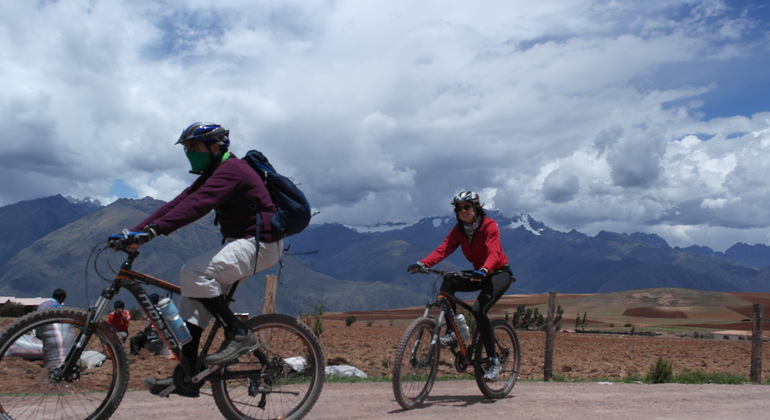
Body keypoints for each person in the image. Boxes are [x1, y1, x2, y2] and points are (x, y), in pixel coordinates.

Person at [126, 122, 283, 397]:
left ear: (215, 147)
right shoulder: (215, 170)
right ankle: (187, 375)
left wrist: (154, 231)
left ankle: (239, 334)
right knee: (191, 302)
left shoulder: (232, 169)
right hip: (242, 243)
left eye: (193, 147)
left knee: (194, 272)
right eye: (186, 148)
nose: (189, 152)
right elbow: (181, 200)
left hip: (261, 243)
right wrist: (136, 231)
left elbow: (198, 204)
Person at [407, 191, 514, 382]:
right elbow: (444, 249)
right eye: (459, 208)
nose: (463, 211)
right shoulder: (459, 230)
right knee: (448, 282)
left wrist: (484, 268)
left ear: (476, 208)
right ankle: (452, 332)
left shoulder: (489, 226)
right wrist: (423, 264)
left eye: (467, 207)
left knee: (479, 310)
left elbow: (494, 252)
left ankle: (493, 361)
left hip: (498, 273)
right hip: (479, 273)